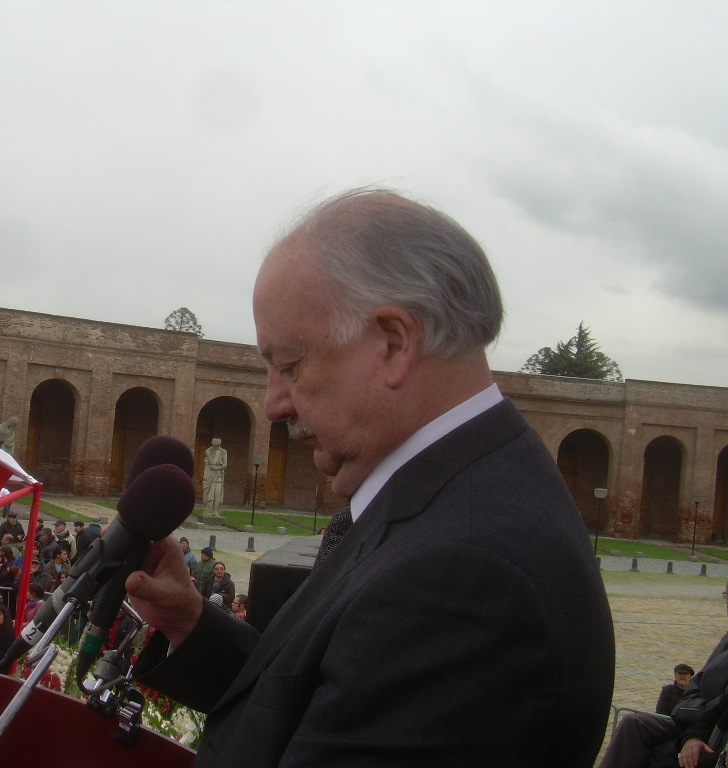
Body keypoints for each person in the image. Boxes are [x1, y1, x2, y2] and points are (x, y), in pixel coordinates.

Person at [124, 188, 615, 767]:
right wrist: (191, 623)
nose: (274, 404)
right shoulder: (457, 501)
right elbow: (321, 700)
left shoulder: (463, 576)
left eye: (290, 366)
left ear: (394, 343)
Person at [600, 586, 728, 768]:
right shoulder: (726, 639)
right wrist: (687, 708)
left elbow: (720, 706)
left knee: (662, 753)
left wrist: (694, 724)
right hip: (689, 714)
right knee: (633, 723)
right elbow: (697, 682)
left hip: (707, 723)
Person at [202, 438, 228, 516]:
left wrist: (217, 468)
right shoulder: (208, 451)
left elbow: (225, 464)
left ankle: (216, 511)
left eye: (217, 446)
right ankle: (209, 510)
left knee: (217, 492)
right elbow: (212, 463)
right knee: (210, 492)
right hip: (210, 475)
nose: (215, 447)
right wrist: (217, 455)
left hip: (219, 474)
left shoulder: (224, 451)